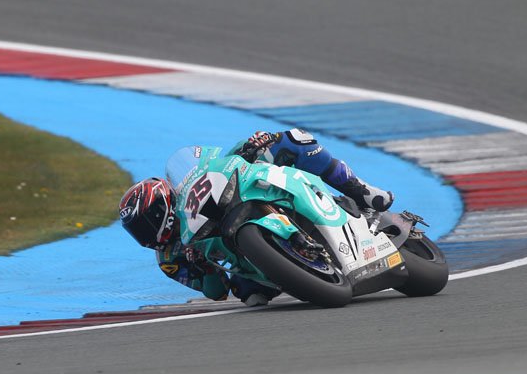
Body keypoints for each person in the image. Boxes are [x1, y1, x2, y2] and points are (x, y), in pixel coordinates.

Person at [118, 129, 394, 306]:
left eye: (147, 223)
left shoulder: (190, 185)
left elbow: (223, 158)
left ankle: (363, 192)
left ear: (163, 205)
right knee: (252, 297)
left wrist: (253, 143)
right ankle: (302, 270)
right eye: (138, 232)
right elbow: (216, 293)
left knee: (292, 141)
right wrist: (204, 267)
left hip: (247, 194)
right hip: (245, 260)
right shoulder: (170, 259)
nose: (146, 235)